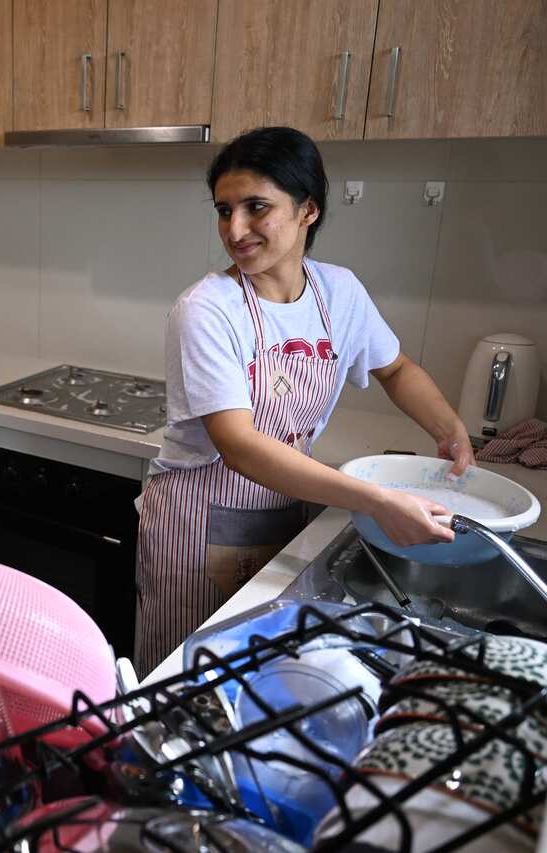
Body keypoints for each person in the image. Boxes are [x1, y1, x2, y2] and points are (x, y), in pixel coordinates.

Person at [135, 127, 474, 673]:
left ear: (307, 210)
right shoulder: (207, 309)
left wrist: (450, 429)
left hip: (283, 508)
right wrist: (375, 500)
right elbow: (240, 446)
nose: (235, 229)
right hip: (197, 526)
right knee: (186, 680)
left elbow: (396, 368)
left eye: (256, 207)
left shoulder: (339, 292)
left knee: (263, 674)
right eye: (225, 210)